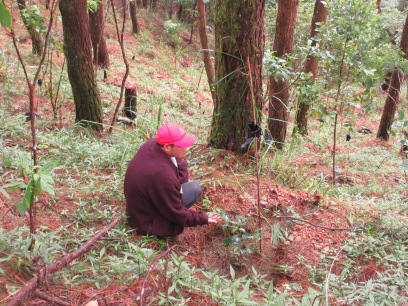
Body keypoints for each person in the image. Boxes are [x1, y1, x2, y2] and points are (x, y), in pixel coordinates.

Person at [124, 122, 221, 238]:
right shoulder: (163, 176)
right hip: (147, 223)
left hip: (140, 208)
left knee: (193, 188)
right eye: (181, 145)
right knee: (194, 190)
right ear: (167, 147)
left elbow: (179, 166)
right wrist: (203, 218)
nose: (185, 147)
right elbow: (177, 212)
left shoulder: (153, 144)